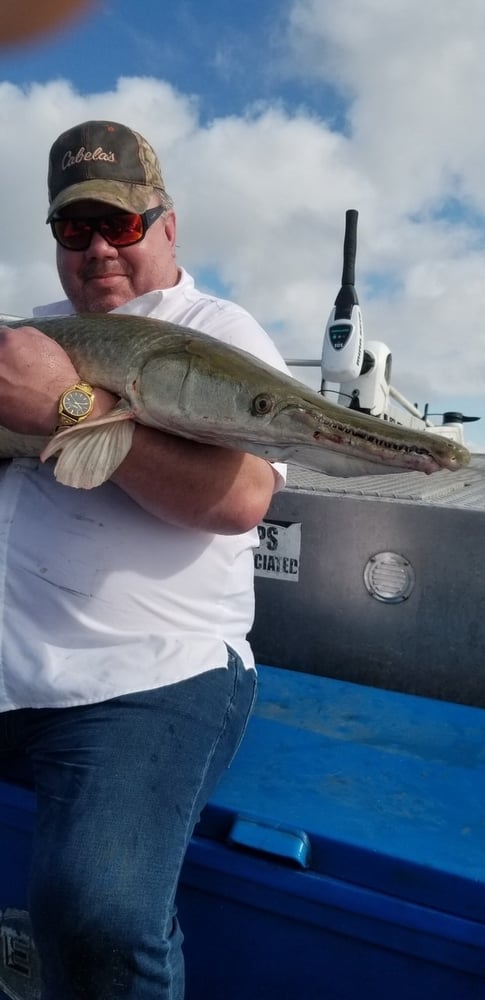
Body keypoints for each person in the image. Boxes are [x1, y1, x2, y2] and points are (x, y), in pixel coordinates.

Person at [0, 120, 288, 999]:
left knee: (99, 910)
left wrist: (67, 405)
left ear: (167, 226)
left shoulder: (216, 327)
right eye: (72, 230)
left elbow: (240, 500)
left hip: (146, 679)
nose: (97, 251)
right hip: (12, 670)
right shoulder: (30, 333)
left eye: (119, 226)